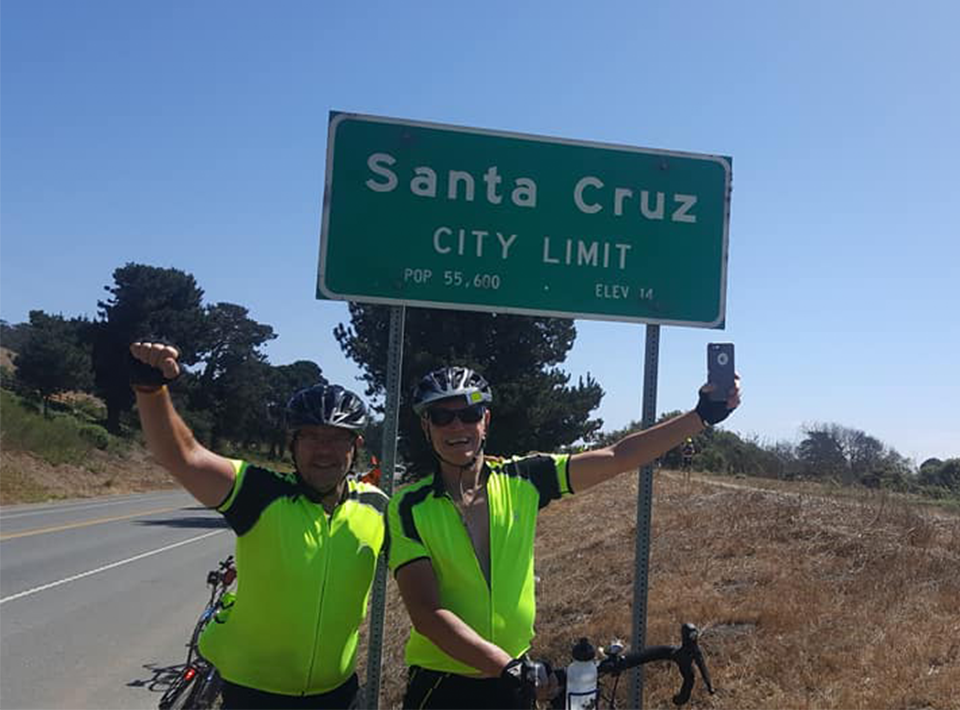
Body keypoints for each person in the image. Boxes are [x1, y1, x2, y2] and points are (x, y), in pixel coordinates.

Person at [387, 366, 741, 709]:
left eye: (468, 413)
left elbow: (619, 456)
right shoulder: (408, 505)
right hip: (445, 683)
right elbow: (427, 613)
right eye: (441, 417)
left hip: (515, 679)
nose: (456, 426)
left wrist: (701, 416)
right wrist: (507, 668)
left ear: (486, 421)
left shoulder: (523, 478)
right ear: (426, 425)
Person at [128, 341, 388, 710]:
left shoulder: (376, 507)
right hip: (254, 694)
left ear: (356, 445)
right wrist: (151, 389)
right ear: (291, 443)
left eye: (336, 438)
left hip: (338, 694)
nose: (324, 450)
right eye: (311, 436)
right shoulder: (260, 492)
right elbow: (182, 456)